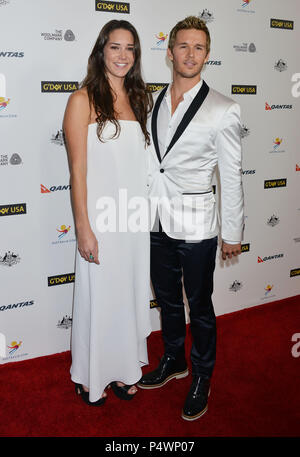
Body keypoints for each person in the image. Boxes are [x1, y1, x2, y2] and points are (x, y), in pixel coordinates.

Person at [138, 16, 244, 421]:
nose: (190, 54)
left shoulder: (224, 108)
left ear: (207, 54)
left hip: (198, 225)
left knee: (198, 305)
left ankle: (201, 375)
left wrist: (232, 232)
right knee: (166, 299)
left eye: (199, 47)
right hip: (154, 219)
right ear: (170, 51)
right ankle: (173, 360)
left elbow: (231, 176)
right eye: (183, 46)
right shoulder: (150, 101)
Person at [63, 20, 153, 406]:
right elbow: (77, 172)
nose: (122, 55)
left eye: (129, 48)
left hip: (133, 221)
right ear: (101, 51)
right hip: (100, 221)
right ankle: (91, 374)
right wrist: (83, 227)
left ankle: (122, 370)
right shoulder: (82, 100)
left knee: (127, 296)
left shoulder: (139, 99)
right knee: (100, 298)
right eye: (114, 47)